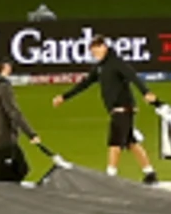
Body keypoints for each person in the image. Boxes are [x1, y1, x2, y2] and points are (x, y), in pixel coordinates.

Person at [55, 37, 160, 183]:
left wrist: (145, 92)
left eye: (96, 50)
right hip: (119, 109)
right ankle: (150, 173)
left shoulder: (116, 63)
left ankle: (110, 177)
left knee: (114, 143)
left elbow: (133, 76)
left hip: (123, 108)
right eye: (92, 52)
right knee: (131, 142)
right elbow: (85, 84)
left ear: (104, 46)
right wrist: (64, 97)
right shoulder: (100, 67)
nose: (94, 54)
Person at [0, 60, 52, 183]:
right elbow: (13, 112)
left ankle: (10, 193)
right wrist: (31, 134)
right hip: (3, 137)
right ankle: (5, 197)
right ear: (4, 68)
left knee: (13, 169)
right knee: (13, 172)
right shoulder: (3, 87)